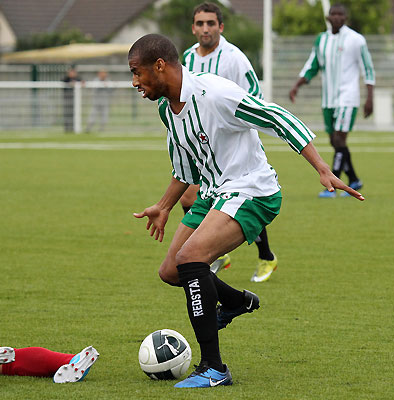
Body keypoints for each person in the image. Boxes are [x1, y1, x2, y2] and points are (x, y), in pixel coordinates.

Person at [128, 34, 363, 388]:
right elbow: (186, 169)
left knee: (191, 259)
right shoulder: (167, 109)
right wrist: (163, 207)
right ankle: (238, 302)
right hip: (214, 192)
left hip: (252, 189)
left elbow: (277, 117)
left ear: (159, 66)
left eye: (136, 72)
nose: (134, 82)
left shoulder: (215, 93)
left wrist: (322, 168)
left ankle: (213, 368)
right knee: (171, 271)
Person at [181, 2, 276, 283]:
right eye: (200, 24)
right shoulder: (187, 58)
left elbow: (254, 99)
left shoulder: (234, 58)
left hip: (234, 147)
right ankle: (219, 254)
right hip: (202, 145)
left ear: (220, 27)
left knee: (240, 201)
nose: (205, 29)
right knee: (189, 197)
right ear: (194, 28)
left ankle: (266, 257)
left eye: (211, 23)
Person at [289, 3, 375, 198]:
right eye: (333, 14)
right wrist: (297, 85)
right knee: (334, 141)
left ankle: (333, 183)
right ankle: (354, 179)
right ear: (328, 17)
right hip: (328, 99)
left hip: (348, 97)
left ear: (345, 18)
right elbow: (313, 65)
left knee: (339, 139)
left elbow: (368, 69)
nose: (336, 17)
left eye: (340, 14)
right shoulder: (322, 40)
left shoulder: (356, 40)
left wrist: (370, 97)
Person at [62, 66, 83, 133]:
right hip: (68, 99)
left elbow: (83, 82)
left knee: (75, 114)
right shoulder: (66, 78)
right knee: (67, 114)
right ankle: (67, 128)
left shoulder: (78, 78)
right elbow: (63, 83)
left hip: (76, 101)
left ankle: (74, 128)